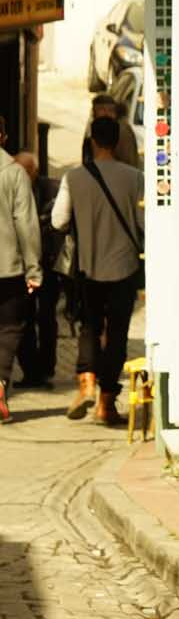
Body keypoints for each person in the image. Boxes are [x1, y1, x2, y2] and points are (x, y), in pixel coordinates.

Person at [53, 114, 144, 426]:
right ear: (116, 142)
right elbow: (144, 223)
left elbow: (58, 221)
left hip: (87, 267)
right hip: (124, 266)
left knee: (89, 327)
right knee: (117, 333)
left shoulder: (73, 178)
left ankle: (87, 383)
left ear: (92, 142)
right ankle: (106, 403)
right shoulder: (135, 177)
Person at [0, 148, 42, 424]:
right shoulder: (14, 173)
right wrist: (33, 269)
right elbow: (26, 224)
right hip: (7, 268)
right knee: (9, 327)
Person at [13, 153, 60, 391]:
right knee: (24, 318)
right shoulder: (11, 189)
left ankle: (46, 368)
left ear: (34, 172)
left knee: (47, 316)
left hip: (48, 264)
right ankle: (31, 371)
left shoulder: (51, 190)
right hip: (21, 265)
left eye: (25, 172)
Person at [85, 93, 139, 168]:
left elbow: (129, 162)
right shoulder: (95, 128)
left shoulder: (121, 131)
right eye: (101, 109)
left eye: (110, 110)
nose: (106, 113)